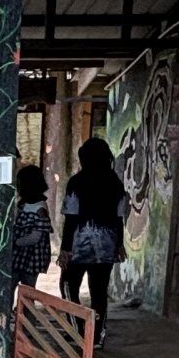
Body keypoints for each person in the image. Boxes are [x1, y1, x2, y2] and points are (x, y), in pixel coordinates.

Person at [59, 136, 127, 321]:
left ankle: (76, 329)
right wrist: (119, 244)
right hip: (107, 246)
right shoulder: (116, 184)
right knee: (99, 292)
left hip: (79, 246)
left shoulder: (76, 183)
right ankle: (97, 336)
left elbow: (71, 219)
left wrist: (65, 249)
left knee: (68, 286)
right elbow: (119, 218)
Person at [7, 163, 53, 291]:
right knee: (10, 287)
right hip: (18, 255)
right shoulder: (23, 204)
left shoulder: (40, 208)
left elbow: (35, 237)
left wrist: (16, 242)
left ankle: (26, 311)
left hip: (32, 257)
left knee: (28, 290)